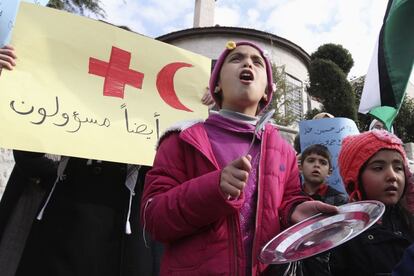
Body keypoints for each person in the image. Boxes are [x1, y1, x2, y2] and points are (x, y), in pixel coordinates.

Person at [140, 41, 337, 275]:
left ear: (267, 90)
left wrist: (296, 209)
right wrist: (214, 189)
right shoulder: (182, 139)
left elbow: (287, 200)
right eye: (236, 59)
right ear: (217, 85)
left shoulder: (283, 150)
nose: (247, 63)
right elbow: (154, 220)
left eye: (257, 62)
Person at [0, 45, 163, 276]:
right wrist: (9, 79)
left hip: (124, 245)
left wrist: (202, 106)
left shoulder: (151, 148)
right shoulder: (62, 123)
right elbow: (29, 154)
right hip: (55, 237)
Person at [326, 129, 414, 275]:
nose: (392, 176)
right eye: (378, 168)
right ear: (355, 179)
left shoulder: (408, 220)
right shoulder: (341, 232)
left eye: (398, 168)